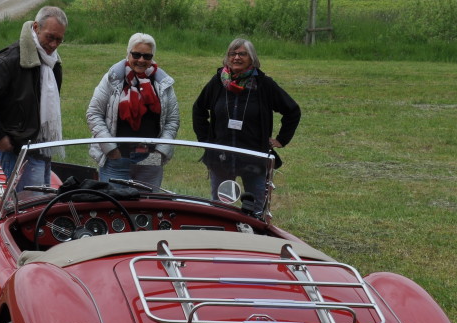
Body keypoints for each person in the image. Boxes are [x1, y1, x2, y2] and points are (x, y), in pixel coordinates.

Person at [0, 6, 67, 190]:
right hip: (18, 153)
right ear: (36, 28)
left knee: (41, 203)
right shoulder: (11, 60)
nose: (53, 45)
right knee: (29, 205)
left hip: (42, 149)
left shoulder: (52, 63)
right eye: (50, 37)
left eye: (59, 40)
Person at [192, 37, 300, 214]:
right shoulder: (218, 82)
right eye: (232, 53)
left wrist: (281, 139)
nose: (236, 57)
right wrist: (206, 141)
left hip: (254, 159)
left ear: (252, 58)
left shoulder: (264, 84)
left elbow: (292, 110)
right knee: (220, 209)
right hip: (221, 158)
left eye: (242, 54)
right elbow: (198, 109)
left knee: (255, 211)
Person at [86, 33, 179, 188]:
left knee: (147, 204)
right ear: (128, 53)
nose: (141, 60)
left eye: (147, 56)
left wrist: (160, 152)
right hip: (117, 158)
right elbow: (94, 114)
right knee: (114, 203)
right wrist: (111, 150)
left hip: (150, 159)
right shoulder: (112, 79)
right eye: (136, 55)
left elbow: (172, 120)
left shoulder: (163, 83)